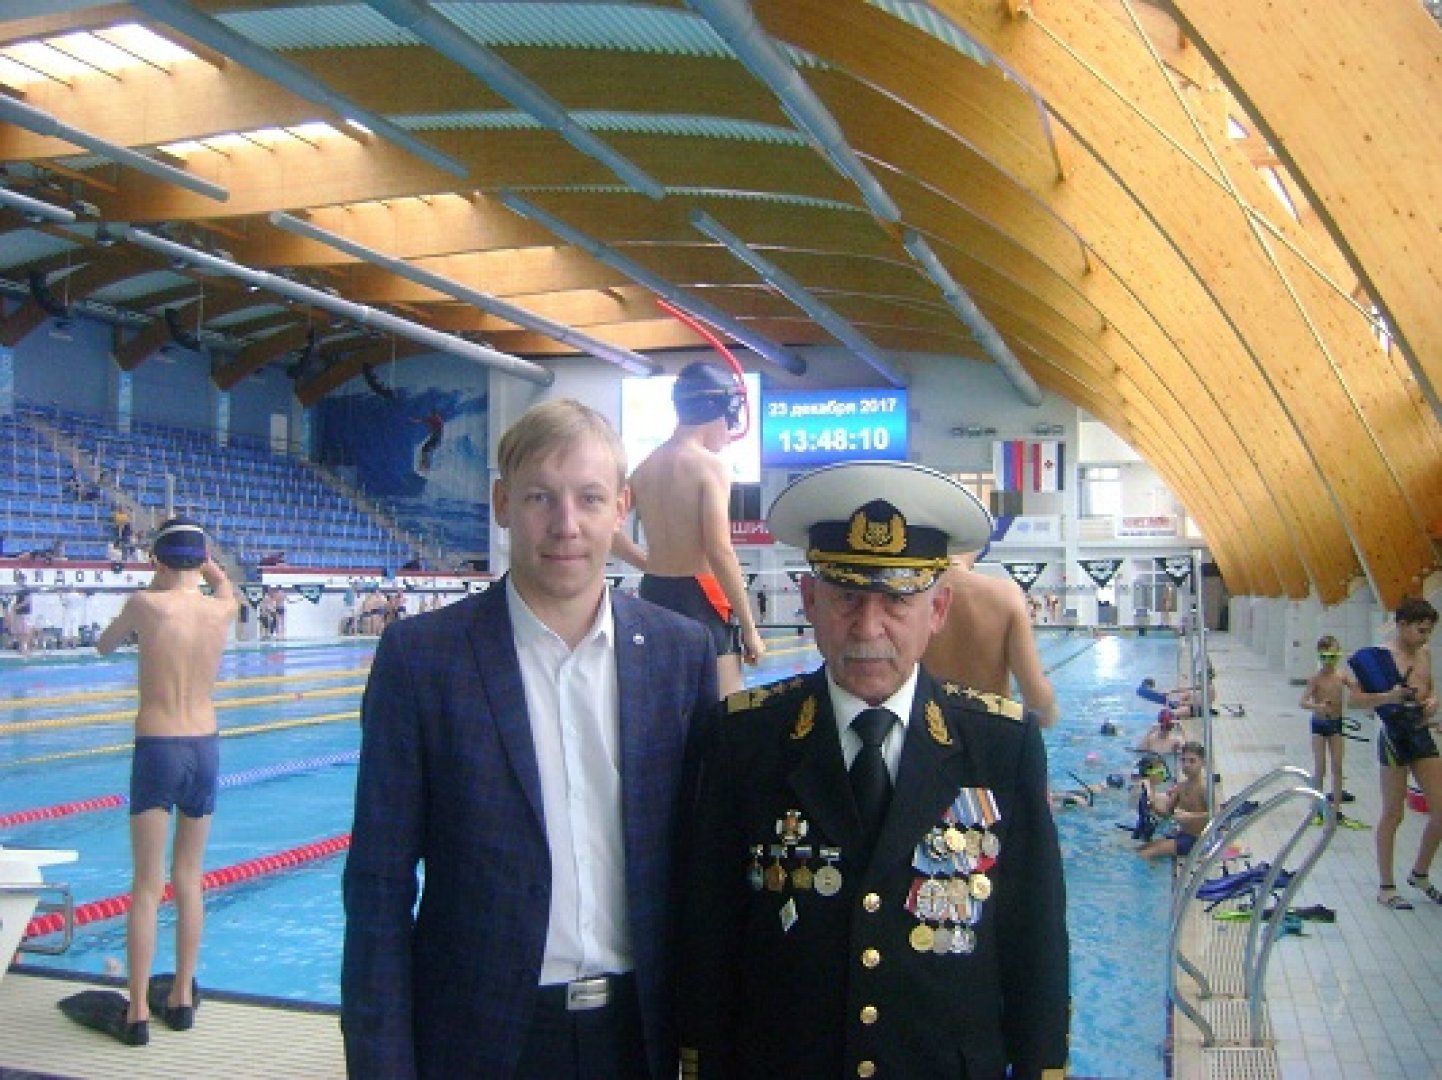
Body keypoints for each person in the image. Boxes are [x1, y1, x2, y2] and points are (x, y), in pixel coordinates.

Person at [342, 398, 718, 1079]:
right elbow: (378, 884)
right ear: (502, 504)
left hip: (639, 1036)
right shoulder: (422, 659)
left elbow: (705, 871)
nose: (566, 524)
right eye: (540, 496)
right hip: (479, 1040)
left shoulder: (679, 654)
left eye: (590, 498)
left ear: (621, 508)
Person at [678, 461, 1068, 1080]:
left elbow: (1035, 942)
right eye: (846, 598)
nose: (868, 627)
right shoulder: (744, 742)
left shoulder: (1002, 747)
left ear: (938, 609)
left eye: (897, 600)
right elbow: (709, 936)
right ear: (810, 600)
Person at [94, 517, 237, 1045]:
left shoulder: (145, 605)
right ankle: (179, 998)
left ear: (156, 559)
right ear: (201, 560)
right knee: (189, 878)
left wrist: (156, 581)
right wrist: (212, 573)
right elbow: (225, 586)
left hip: (157, 748)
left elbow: (104, 646)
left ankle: (135, 1011)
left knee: (147, 885)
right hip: (205, 748)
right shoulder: (222, 609)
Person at [610, 362, 764, 697]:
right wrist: (750, 628)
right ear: (718, 412)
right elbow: (719, 551)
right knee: (723, 708)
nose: (730, 434)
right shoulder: (710, 467)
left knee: (665, 703)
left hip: (654, 591)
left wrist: (649, 563)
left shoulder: (644, 468)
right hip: (701, 597)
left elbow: (607, 528)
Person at [1349, 598, 1442, 910]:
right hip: (1393, 736)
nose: (1425, 637)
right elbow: (1355, 701)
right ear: (1402, 625)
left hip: (1420, 732)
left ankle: (1420, 873)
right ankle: (1386, 886)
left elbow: (1428, 690)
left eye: (1429, 631)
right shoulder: (1378, 658)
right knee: (1393, 813)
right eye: (1420, 630)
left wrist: (1432, 702)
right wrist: (1389, 696)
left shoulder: (1425, 654)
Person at [922, 547, 1060, 726]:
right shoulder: (1005, 595)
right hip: (991, 733)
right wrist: (1050, 710)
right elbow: (1038, 700)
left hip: (926, 731)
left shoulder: (912, 595)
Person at [1299, 635, 1369, 829]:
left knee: (1337, 767)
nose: (1329, 662)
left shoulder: (1342, 676)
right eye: (1325, 657)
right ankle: (1316, 808)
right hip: (1319, 725)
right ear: (1319, 656)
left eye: (1333, 657)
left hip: (1336, 725)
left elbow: (1359, 689)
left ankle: (1336, 809)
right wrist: (1318, 707)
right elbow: (1302, 702)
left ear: (1338, 655)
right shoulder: (1315, 679)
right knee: (1320, 767)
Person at [1139, 741, 1210, 860]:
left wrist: (1190, 817)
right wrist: (1152, 804)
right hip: (1182, 835)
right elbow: (1167, 813)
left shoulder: (1205, 789)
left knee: (1147, 853)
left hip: (1199, 840)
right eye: (1183, 760)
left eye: (1192, 761)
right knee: (1141, 849)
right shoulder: (1180, 787)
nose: (1186, 765)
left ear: (1203, 763)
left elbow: (1216, 816)